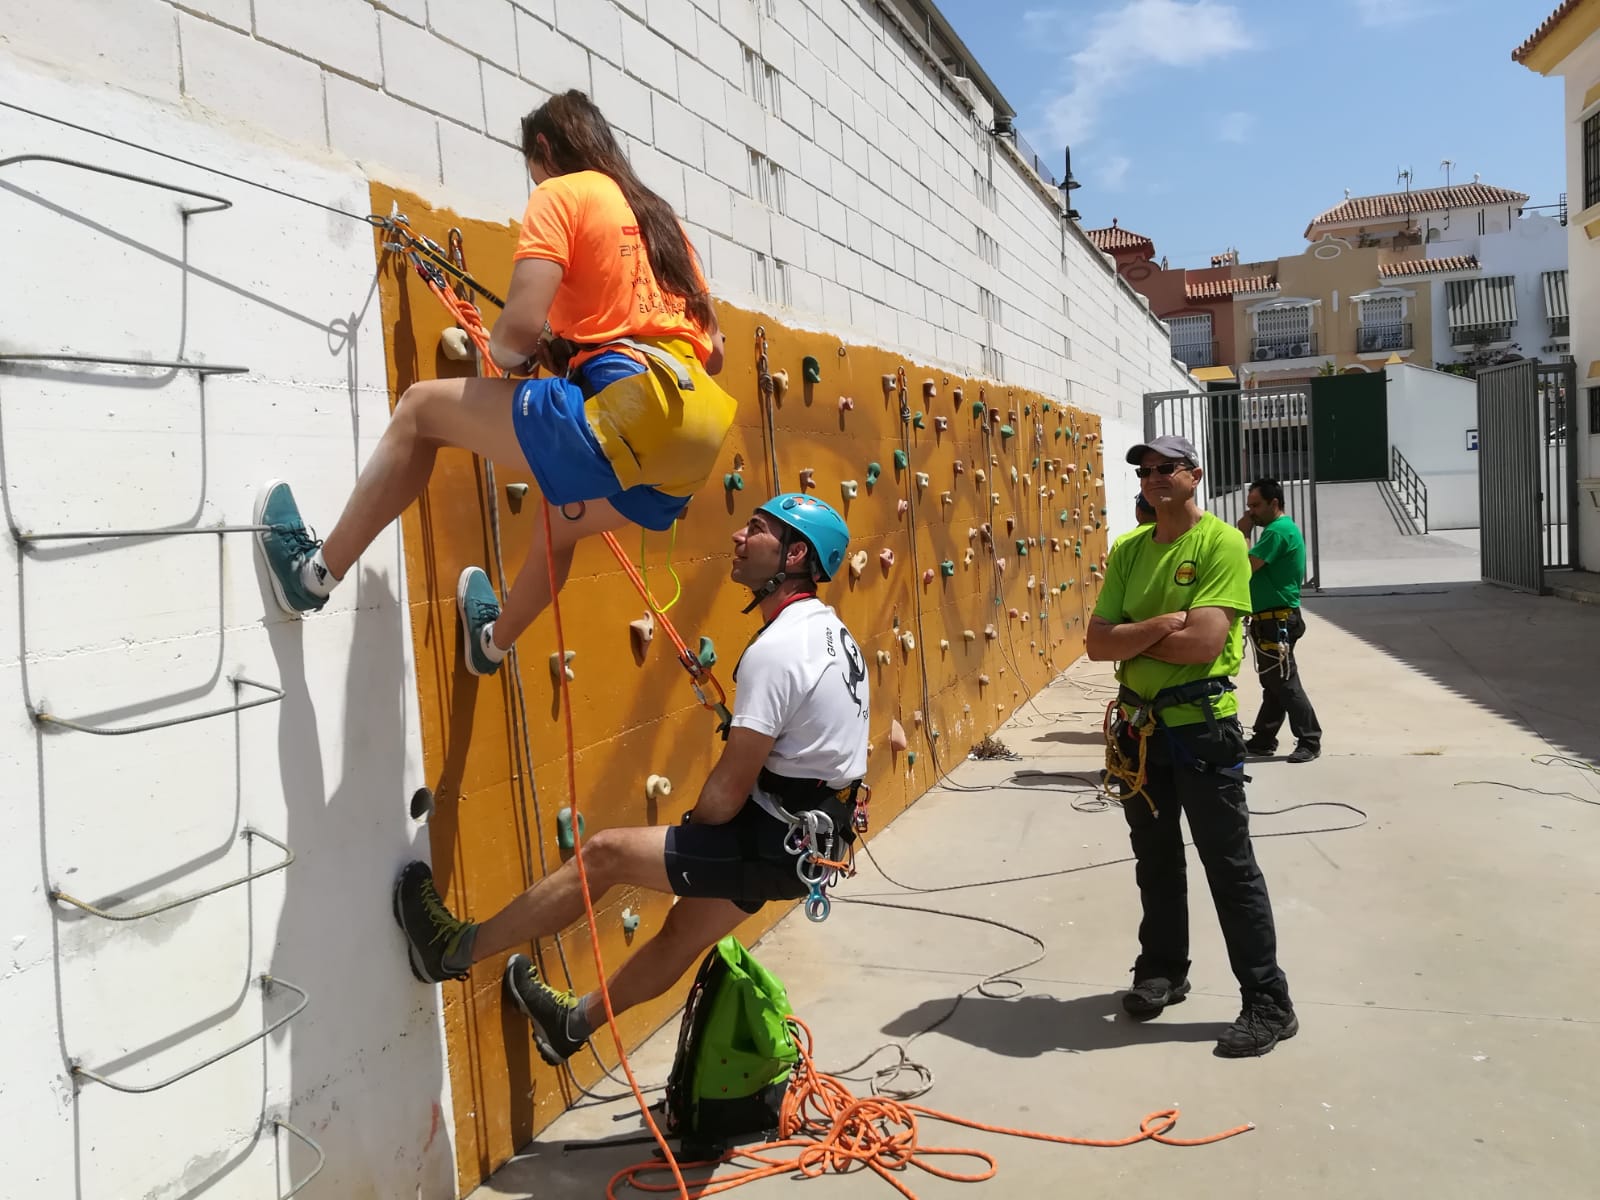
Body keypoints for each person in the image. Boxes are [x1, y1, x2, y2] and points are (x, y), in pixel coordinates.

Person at [253, 90, 735, 678]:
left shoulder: (563, 193)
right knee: (560, 523)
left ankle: (311, 576)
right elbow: (712, 355)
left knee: (419, 411)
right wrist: (575, 352)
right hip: (691, 443)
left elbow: (514, 337)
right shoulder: (662, 221)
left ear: (543, 147)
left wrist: (524, 354)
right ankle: (492, 644)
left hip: (631, 409)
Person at [392, 495, 869, 1066]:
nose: (739, 536)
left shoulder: (780, 650)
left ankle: (450, 949)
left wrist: (693, 838)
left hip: (774, 838)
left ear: (792, 555)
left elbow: (727, 791)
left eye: (757, 529)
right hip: (809, 841)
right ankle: (570, 1025)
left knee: (607, 855)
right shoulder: (828, 632)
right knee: (682, 934)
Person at [1086, 434, 1297, 1057]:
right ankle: (1162, 971)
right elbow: (1097, 643)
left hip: (1202, 729)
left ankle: (1268, 1001)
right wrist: (1159, 625)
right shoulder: (1129, 549)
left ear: (1195, 475)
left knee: (1229, 867)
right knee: (1154, 858)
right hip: (1138, 730)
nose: (1154, 477)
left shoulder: (1221, 543)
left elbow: (1204, 644)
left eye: (1167, 467)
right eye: (1145, 470)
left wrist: (1131, 634)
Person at [1236, 479, 1321, 764]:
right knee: (1274, 682)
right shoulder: (1279, 530)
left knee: (1284, 682)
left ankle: (1310, 739)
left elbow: (1246, 566)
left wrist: (1243, 533)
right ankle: (1263, 738)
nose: (1251, 512)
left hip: (1278, 620)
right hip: (1270, 619)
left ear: (1274, 503)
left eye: (1256, 505)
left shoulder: (1277, 531)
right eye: (1249, 506)